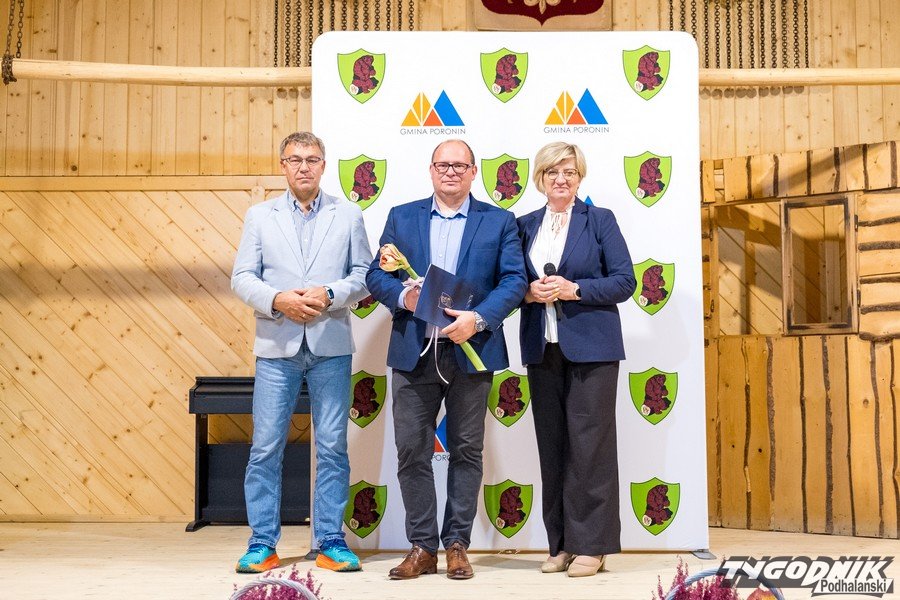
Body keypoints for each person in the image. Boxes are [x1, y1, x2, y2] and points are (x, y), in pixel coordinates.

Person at [366, 139, 527, 580]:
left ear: (474, 171)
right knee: (411, 450)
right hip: (413, 352)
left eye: (459, 165)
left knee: (467, 451)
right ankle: (422, 547)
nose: (450, 171)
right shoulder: (402, 217)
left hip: (472, 352)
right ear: (431, 169)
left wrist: (479, 319)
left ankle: (457, 544)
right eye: (443, 164)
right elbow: (376, 273)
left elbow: (514, 280)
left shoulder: (499, 221)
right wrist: (404, 296)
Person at [231, 131, 372, 574]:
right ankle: (262, 544)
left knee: (332, 447)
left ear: (323, 165)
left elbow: (364, 275)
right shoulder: (260, 216)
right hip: (277, 346)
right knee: (265, 447)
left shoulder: (348, 214)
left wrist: (330, 293)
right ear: (282, 166)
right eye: (295, 159)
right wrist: (277, 300)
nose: (303, 167)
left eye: (312, 159)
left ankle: (330, 541)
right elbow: (242, 277)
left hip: (331, 345)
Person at [516, 142, 636, 577]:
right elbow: (510, 283)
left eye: (569, 171)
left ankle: (593, 545)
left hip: (593, 350)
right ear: (540, 178)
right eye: (552, 172)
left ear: (580, 177)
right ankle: (561, 543)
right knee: (553, 447)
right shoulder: (523, 225)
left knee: (591, 448)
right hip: (542, 349)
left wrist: (575, 289)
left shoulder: (599, 220)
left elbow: (625, 281)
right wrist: (529, 292)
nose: (561, 179)